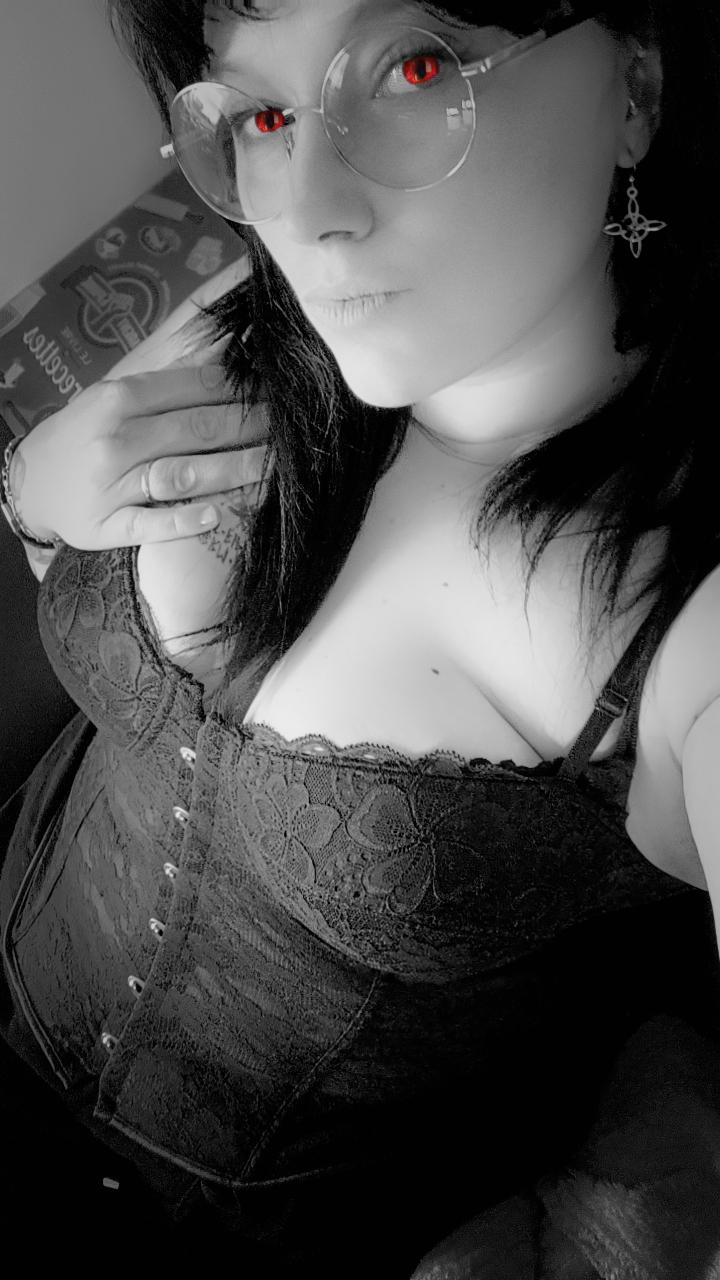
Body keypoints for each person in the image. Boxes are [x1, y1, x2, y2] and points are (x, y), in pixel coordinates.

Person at [2, 0, 720, 1274]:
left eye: (416, 66)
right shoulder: (232, 315)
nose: (304, 206)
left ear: (636, 90)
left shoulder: (678, 618)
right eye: (261, 115)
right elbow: (52, 521)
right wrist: (33, 496)